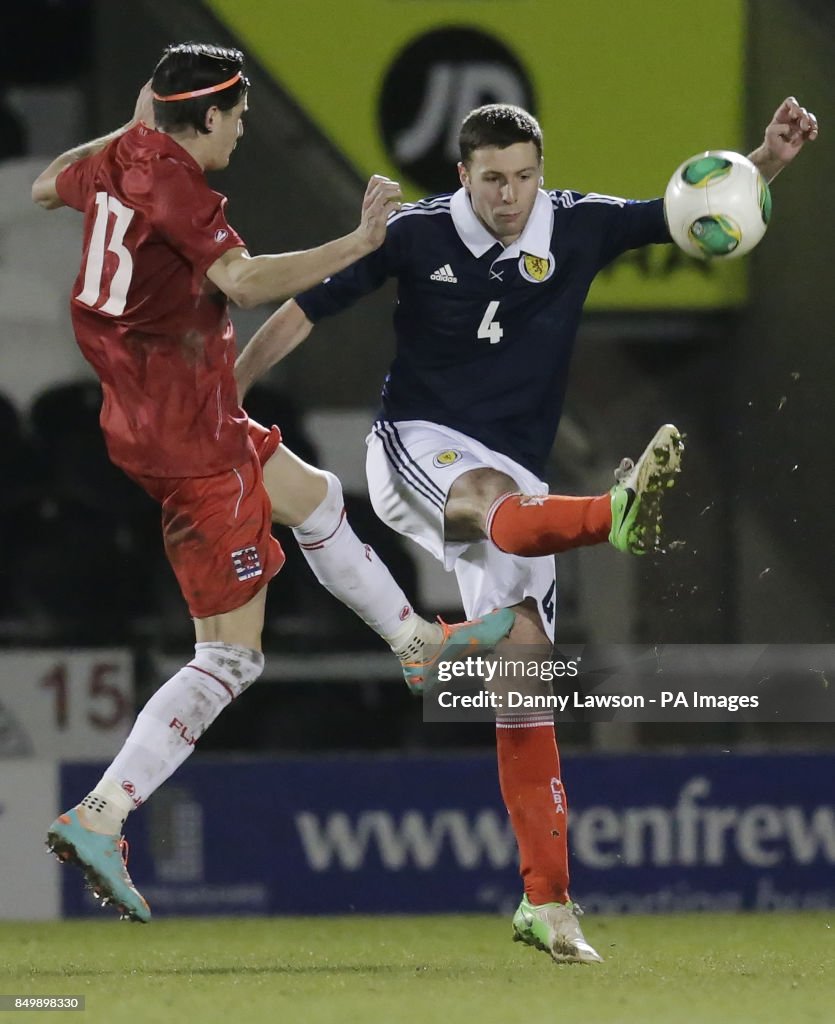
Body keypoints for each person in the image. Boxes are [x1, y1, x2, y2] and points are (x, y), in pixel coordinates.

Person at [234, 96, 818, 963]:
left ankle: (546, 903)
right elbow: (305, 311)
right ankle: (606, 517)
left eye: (523, 177)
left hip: (520, 482)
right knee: (480, 496)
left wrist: (764, 162)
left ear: (539, 171)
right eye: (491, 179)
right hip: (415, 450)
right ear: (463, 175)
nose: (509, 196)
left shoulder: (575, 224)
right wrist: (228, 397)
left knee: (525, 673)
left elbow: (689, 212)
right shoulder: (415, 234)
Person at [32, 43, 515, 923]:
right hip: (190, 437)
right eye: (240, 116)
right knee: (229, 656)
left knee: (318, 499)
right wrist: (359, 240)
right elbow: (245, 282)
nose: (245, 130)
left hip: (160, 412)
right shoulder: (181, 188)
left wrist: (133, 126)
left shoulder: (123, 156)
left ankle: (414, 643)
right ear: (207, 116)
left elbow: (43, 185)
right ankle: (103, 812)